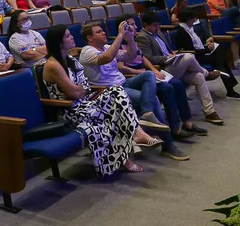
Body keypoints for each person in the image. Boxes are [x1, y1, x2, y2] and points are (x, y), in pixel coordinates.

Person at [42, 25, 161, 175]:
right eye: (67, 36)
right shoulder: (53, 64)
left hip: (85, 103)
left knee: (117, 90)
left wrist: (81, 88)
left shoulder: (70, 59)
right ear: (59, 42)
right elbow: (74, 93)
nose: (72, 37)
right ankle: (131, 144)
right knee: (113, 110)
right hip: (70, 110)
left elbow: (83, 86)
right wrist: (81, 89)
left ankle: (135, 137)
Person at [79, 22, 190, 161]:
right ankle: (168, 144)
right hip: (110, 91)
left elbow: (130, 56)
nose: (103, 33)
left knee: (149, 75)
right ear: (89, 38)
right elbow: (106, 58)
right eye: (99, 32)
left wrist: (130, 37)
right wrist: (120, 35)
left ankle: (147, 113)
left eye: (103, 31)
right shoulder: (87, 51)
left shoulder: (107, 47)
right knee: (153, 98)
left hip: (124, 83)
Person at [116, 14, 208, 140]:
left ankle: (187, 122)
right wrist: (141, 73)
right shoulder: (118, 44)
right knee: (167, 88)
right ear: (123, 27)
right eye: (131, 24)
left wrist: (153, 70)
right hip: (135, 77)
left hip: (147, 74)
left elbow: (143, 58)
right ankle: (175, 129)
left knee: (177, 84)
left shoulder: (133, 40)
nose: (135, 26)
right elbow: (121, 67)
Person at [137, 10, 223, 124]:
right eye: (154, 26)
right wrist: (166, 58)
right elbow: (148, 58)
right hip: (162, 70)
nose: (157, 28)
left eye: (158, 25)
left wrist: (173, 53)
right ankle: (207, 73)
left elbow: (165, 50)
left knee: (198, 77)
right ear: (146, 25)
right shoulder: (142, 37)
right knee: (189, 57)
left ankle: (210, 112)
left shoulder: (159, 32)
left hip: (173, 64)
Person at [174, 8, 240, 100]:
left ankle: (227, 82)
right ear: (188, 19)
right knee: (221, 59)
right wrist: (207, 49)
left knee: (219, 50)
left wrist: (206, 46)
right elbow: (191, 51)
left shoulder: (189, 29)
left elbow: (197, 46)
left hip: (199, 53)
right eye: (193, 18)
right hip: (193, 59)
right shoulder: (182, 32)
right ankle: (230, 89)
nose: (195, 20)